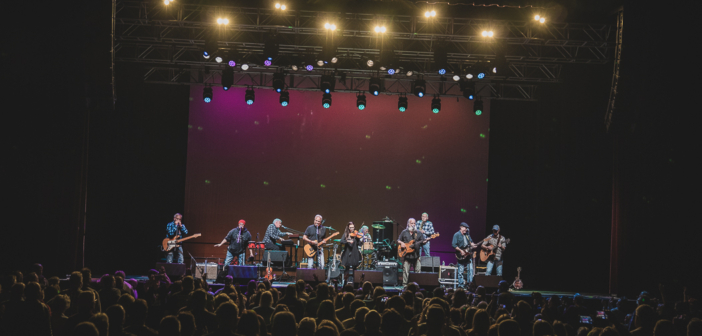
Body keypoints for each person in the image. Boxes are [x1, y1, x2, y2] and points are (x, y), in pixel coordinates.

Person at [397, 218, 425, 286]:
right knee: (406, 271)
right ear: (408, 224)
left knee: (417, 272)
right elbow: (398, 240)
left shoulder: (418, 233)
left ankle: (417, 285)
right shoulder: (404, 232)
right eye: (411, 223)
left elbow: (423, 241)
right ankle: (405, 285)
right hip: (407, 256)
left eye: (414, 223)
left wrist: (426, 240)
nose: (413, 225)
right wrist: (402, 243)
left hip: (416, 255)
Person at [452, 222, 478, 288]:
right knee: (461, 271)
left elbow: (471, 242)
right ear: (461, 227)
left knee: (470, 270)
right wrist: (461, 251)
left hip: (468, 255)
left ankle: (470, 284)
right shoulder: (456, 235)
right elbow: (454, 245)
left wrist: (474, 245)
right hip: (460, 254)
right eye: (465, 228)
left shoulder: (467, 235)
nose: (466, 229)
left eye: (466, 228)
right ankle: (461, 285)